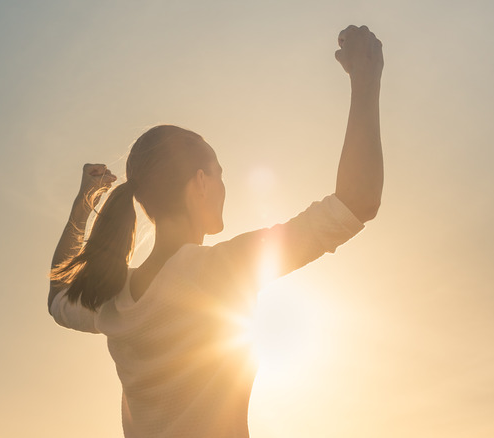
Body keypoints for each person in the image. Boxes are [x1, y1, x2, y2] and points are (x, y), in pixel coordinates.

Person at [47, 25, 383, 438]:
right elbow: (356, 202)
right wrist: (366, 81)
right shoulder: (219, 270)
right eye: (219, 173)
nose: (225, 186)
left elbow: (57, 295)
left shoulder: (113, 300)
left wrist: (85, 200)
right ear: (201, 183)